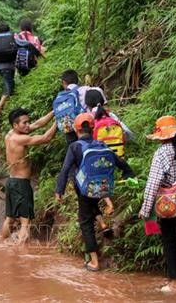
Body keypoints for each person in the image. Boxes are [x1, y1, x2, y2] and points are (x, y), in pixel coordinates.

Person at [54, 113, 134, 271]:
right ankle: (104, 225)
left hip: (84, 189)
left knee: (85, 223)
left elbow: (65, 170)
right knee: (91, 207)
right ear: (93, 128)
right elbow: (121, 163)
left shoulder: (75, 146)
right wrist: (128, 175)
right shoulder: (102, 145)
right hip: (102, 187)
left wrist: (59, 190)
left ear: (77, 131)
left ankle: (94, 262)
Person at [138, 115, 176, 293]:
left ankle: (174, 282)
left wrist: (145, 209)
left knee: (169, 240)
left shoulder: (160, 154)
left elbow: (152, 183)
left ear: (163, 136)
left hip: (167, 205)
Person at [2, 108, 56, 244]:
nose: (28, 125)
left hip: (11, 182)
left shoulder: (10, 135)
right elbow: (46, 138)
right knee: (26, 222)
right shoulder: (20, 139)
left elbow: (38, 124)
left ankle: (2, 244)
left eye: (28, 122)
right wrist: (60, 121)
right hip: (21, 184)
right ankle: (21, 255)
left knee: (9, 218)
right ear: (15, 125)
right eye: (24, 123)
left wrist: (55, 111)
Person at [0, 23, 17, 120]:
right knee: (8, 88)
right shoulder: (10, 36)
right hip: (8, 66)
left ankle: (7, 109)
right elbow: (20, 45)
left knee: (10, 84)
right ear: (8, 30)